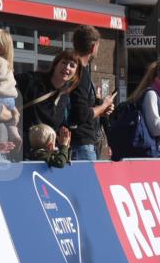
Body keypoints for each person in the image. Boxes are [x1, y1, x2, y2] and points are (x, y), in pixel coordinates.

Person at [70, 25, 115, 161]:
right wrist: (104, 105)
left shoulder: (77, 70)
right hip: (83, 142)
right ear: (93, 47)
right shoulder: (81, 73)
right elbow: (82, 113)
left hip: (78, 141)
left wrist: (101, 106)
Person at [17, 49, 81, 142]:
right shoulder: (32, 80)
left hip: (44, 151)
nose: (67, 67)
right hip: (21, 145)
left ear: (75, 73)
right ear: (55, 65)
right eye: (64, 63)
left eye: (72, 65)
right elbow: (7, 85)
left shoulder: (65, 96)